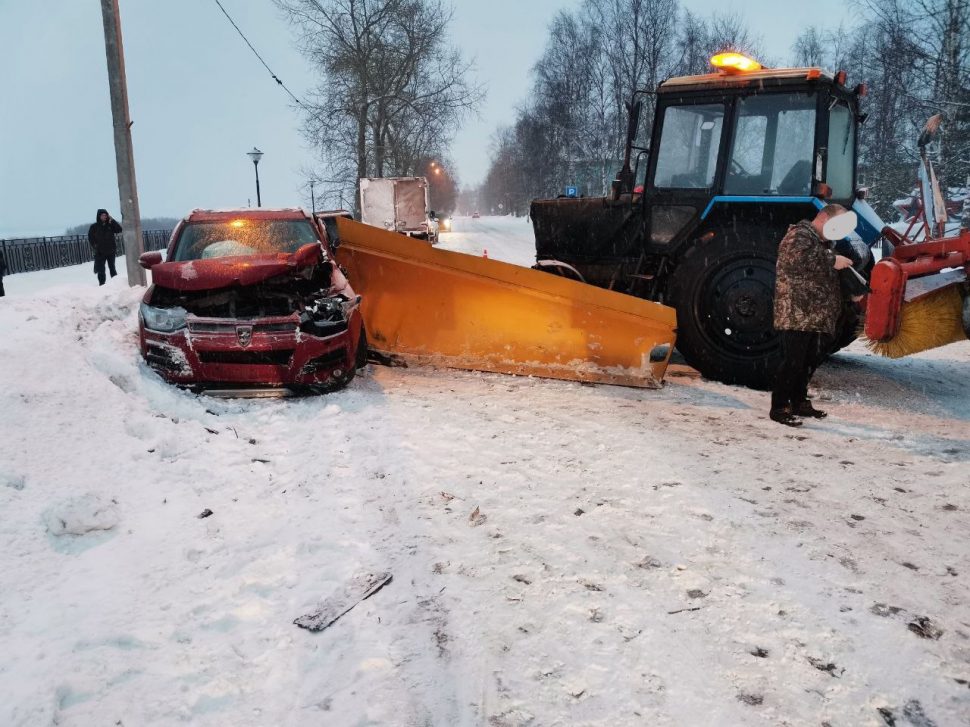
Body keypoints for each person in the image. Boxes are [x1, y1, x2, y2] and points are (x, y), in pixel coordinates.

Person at [770, 204, 857, 427]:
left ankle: (799, 401)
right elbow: (797, 261)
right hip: (797, 312)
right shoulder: (799, 235)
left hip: (815, 315)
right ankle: (779, 407)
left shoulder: (823, 243)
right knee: (793, 361)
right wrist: (832, 260)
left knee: (808, 361)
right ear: (822, 217)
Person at [88, 209, 122, 285]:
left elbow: (119, 229)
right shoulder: (94, 227)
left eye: (105, 215)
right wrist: (95, 246)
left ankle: (116, 284)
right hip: (100, 252)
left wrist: (112, 220)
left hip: (111, 251)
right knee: (101, 270)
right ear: (99, 216)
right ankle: (102, 285)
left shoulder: (110, 225)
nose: (104, 217)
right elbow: (91, 238)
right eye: (102, 215)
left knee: (112, 268)